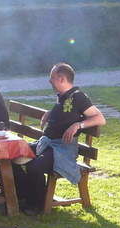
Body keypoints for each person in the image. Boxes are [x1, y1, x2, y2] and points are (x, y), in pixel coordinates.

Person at [13, 63, 106, 215]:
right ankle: (24, 195)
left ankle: (37, 204)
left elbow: (100, 118)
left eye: (52, 78)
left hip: (62, 149)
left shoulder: (78, 97)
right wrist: (52, 112)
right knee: (13, 154)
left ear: (62, 79)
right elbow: (65, 114)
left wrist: (78, 124)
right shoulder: (63, 97)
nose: (49, 81)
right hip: (47, 144)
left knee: (35, 166)